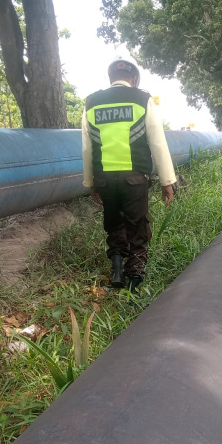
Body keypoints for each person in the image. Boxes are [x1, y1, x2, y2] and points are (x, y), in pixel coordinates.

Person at [81, 58, 176, 292]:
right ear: (133, 78)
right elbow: (157, 142)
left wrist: (90, 181)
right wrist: (167, 181)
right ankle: (134, 280)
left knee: (114, 222)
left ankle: (116, 270)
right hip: (133, 178)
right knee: (137, 226)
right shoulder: (142, 99)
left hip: (104, 177)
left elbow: (87, 147)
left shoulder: (92, 102)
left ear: (110, 77)